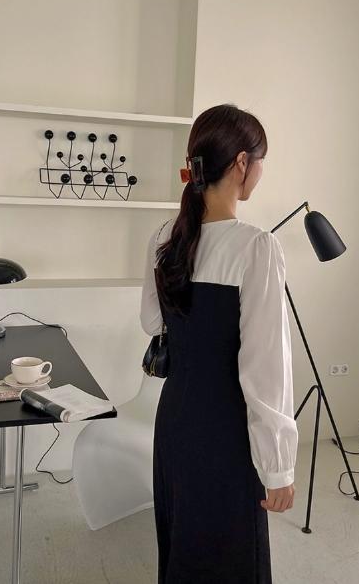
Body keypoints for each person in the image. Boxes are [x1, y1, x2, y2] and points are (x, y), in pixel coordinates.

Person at [140, 103, 298, 583]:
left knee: (182, 547)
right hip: (226, 433)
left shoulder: (164, 238)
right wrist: (278, 467)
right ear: (242, 163)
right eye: (261, 161)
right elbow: (265, 369)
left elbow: (152, 322)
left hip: (174, 422)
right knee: (232, 557)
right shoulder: (257, 247)